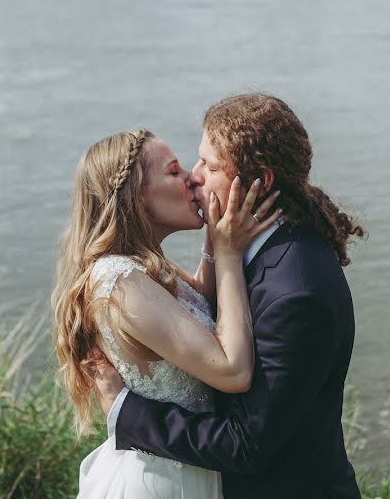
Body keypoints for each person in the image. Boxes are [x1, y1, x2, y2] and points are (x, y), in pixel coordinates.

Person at [92, 93, 365, 499]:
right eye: (197, 160)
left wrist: (127, 411)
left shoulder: (296, 294)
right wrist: (220, 251)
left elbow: (247, 444)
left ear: (262, 181)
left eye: (211, 165)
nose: (195, 176)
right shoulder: (252, 251)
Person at [51, 128, 281, 498]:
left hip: (185, 469)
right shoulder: (120, 280)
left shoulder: (144, 268)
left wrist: (215, 236)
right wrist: (229, 255)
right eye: (174, 172)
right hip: (159, 482)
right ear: (136, 197)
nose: (193, 177)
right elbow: (232, 371)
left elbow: (201, 305)